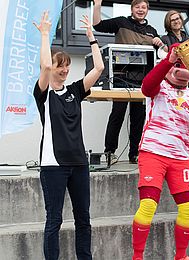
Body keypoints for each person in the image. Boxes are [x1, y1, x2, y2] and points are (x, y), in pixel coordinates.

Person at [131, 44, 189, 260]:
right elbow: (146, 87)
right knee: (148, 205)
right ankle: (137, 256)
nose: (183, 73)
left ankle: (181, 256)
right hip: (152, 152)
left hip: (181, 157)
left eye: (186, 69)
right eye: (178, 66)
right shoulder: (159, 87)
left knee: (187, 208)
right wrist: (169, 59)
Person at [33, 11, 104, 260]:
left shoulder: (75, 90)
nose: (63, 69)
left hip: (79, 164)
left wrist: (91, 38)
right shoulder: (43, 94)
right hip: (53, 166)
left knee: (83, 219)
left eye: (66, 66)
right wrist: (44, 35)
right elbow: (44, 65)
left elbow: (99, 67)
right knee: (54, 220)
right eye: (59, 65)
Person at [93, 0, 164, 164]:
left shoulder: (152, 31)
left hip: (142, 81)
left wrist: (159, 43)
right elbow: (97, 25)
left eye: (144, 7)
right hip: (120, 78)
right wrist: (97, 5)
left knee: (138, 118)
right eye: (137, 7)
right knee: (117, 115)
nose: (140, 10)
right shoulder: (121, 22)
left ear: (147, 10)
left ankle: (135, 154)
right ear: (132, 9)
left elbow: (162, 54)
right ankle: (110, 152)